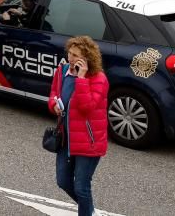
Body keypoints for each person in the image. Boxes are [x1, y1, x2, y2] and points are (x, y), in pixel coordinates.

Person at [48, 36, 109, 216]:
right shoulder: (63, 71)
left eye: (76, 55)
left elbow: (87, 107)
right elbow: (53, 94)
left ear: (88, 59)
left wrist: (81, 78)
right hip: (66, 138)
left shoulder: (99, 78)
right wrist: (54, 105)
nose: (71, 58)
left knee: (81, 187)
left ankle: (86, 212)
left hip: (88, 141)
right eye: (70, 53)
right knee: (63, 182)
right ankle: (88, 209)